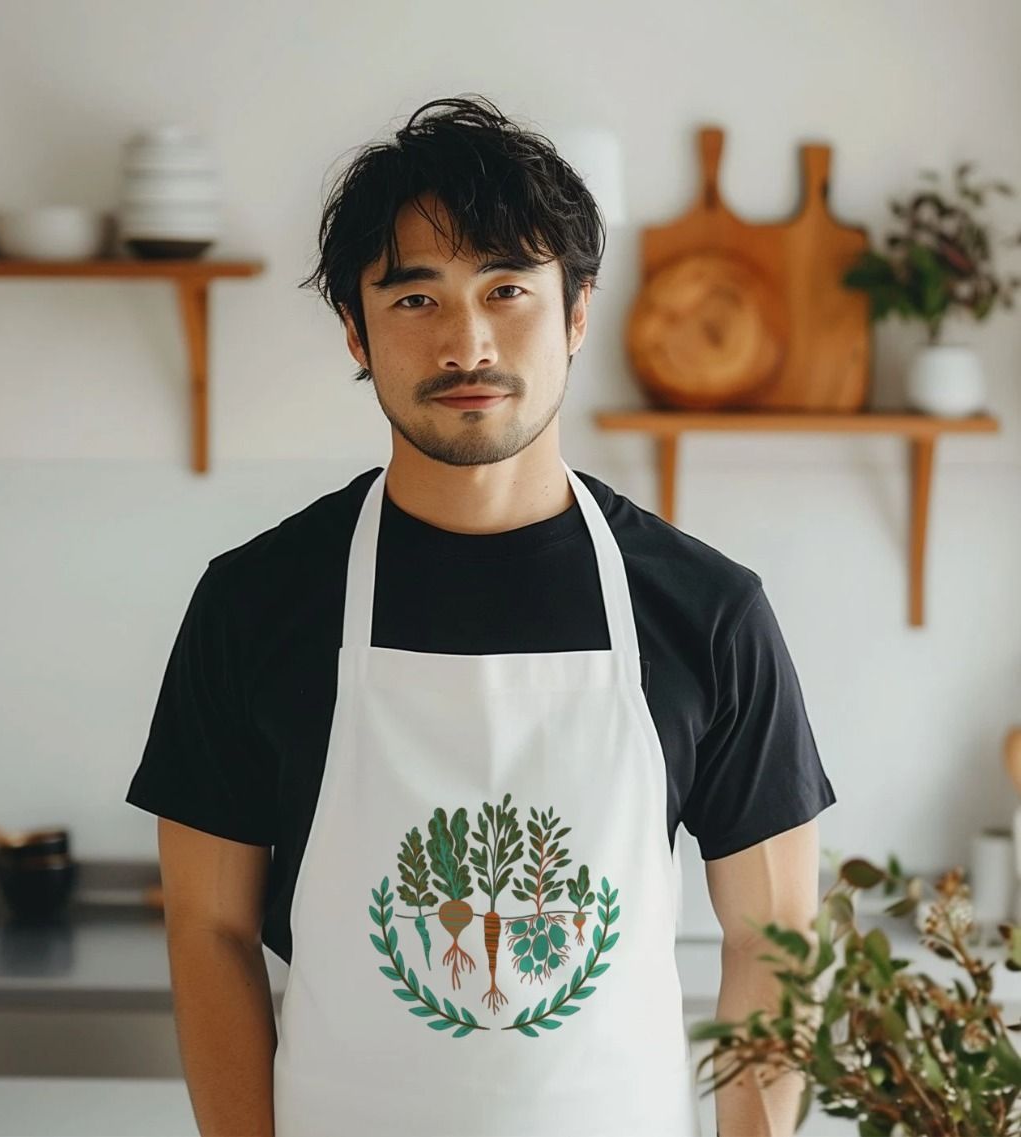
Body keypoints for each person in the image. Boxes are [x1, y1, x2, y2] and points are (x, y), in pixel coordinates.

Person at [126, 94, 837, 1137]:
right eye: (415, 300)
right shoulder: (255, 603)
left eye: (508, 289)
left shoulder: (709, 612)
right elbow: (208, 930)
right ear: (355, 331)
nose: (467, 343)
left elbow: (774, 939)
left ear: (576, 313)